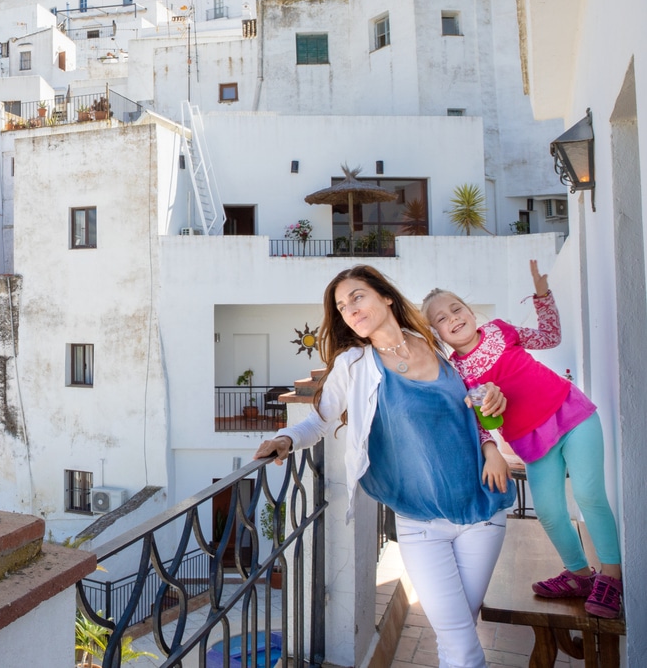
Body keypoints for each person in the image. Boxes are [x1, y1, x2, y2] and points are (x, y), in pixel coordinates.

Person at [255, 265, 516, 668]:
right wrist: (286, 439)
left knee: (457, 633)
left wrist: (491, 407)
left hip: (483, 511)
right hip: (420, 523)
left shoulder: (436, 342)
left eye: (357, 296)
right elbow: (320, 421)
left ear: (386, 297)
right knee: (463, 646)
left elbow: (475, 401)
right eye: (342, 307)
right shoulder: (355, 365)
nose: (350, 309)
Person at [423, 260, 622, 619]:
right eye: (441, 318)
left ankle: (612, 576)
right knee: (547, 512)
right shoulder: (457, 373)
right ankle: (580, 575)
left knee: (589, 495)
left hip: (572, 415)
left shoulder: (500, 330)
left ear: (470, 311)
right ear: (437, 333)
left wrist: (542, 295)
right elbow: (481, 422)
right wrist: (492, 450)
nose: (452, 317)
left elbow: (550, 337)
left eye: (456, 308)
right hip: (532, 443)